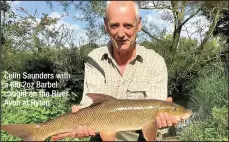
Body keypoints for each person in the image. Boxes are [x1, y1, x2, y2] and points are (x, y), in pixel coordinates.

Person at [52, 1, 180, 141]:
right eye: (114, 25)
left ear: (139, 24)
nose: (120, 33)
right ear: (106, 25)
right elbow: (90, 105)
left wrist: (163, 122)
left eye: (128, 25)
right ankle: (40, 132)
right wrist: (82, 114)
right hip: (100, 135)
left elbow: (157, 124)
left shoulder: (155, 62)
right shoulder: (95, 58)